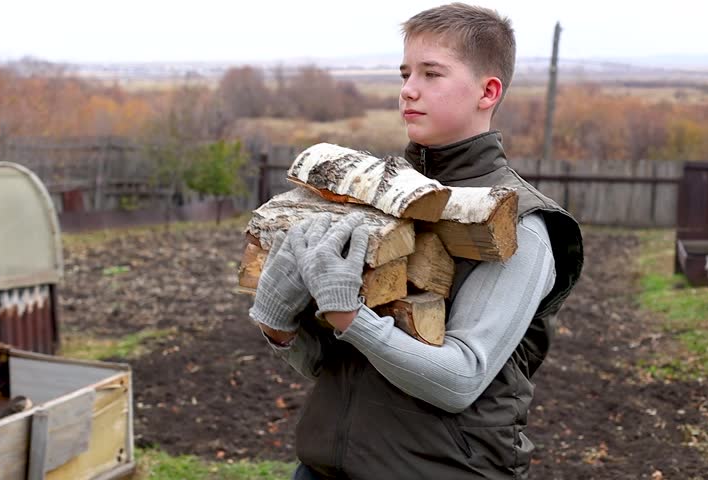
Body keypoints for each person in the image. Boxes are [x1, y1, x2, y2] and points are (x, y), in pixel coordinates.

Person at [249, 3, 584, 479]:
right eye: (405, 73)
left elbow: (460, 379)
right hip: (322, 469)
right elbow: (331, 365)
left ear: (488, 91)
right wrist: (279, 324)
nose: (408, 90)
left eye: (432, 73)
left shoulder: (519, 226)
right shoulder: (371, 200)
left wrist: (349, 315)